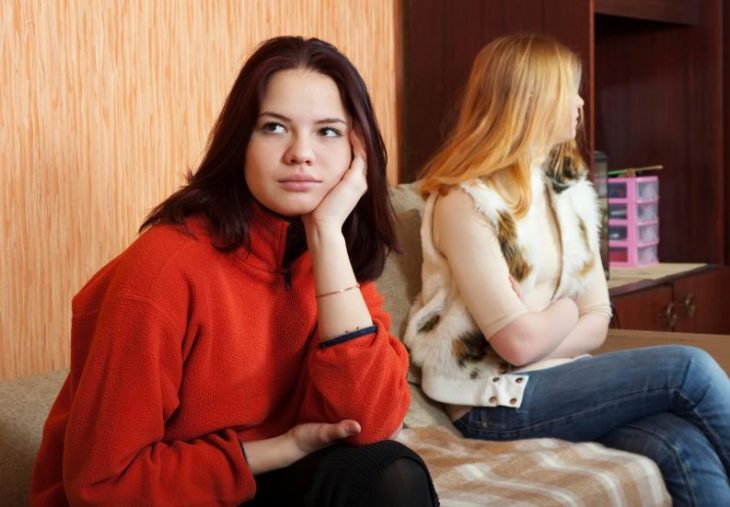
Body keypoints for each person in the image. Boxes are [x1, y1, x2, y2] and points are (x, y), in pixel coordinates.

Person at [30, 36, 438, 507]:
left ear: (358, 151)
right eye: (274, 128)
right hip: (164, 496)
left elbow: (370, 422)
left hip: (262, 482)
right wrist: (282, 448)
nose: (301, 153)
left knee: (390, 472)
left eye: (327, 131)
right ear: (239, 142)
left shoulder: (328, 253)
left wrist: (326, 233)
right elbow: (102, 486)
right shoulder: (163, 270)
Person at [404, 33, 729, 506]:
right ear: (532, 100)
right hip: (491, 402)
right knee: (689, 369)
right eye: (569, 90)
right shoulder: (466, 202)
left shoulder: (568, 189)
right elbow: (517, 344)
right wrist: (563, 312)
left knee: (681, 443)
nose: (579, 103)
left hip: (563, 381)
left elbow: (597, 318)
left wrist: (542, 324)